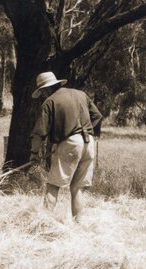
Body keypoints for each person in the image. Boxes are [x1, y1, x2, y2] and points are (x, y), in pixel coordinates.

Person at [30, 71, 103, 221]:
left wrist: (34, 154)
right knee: (77, 189)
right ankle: (78, 225)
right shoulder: (80, 94)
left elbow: (39, 133)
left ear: (46, 89)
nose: (43, 95)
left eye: (42, 92)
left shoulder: (50, 101)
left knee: (53, 185)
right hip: (89, 143)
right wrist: (86, 131)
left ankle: (43, 223)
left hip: (70, 144)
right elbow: (97, 117)